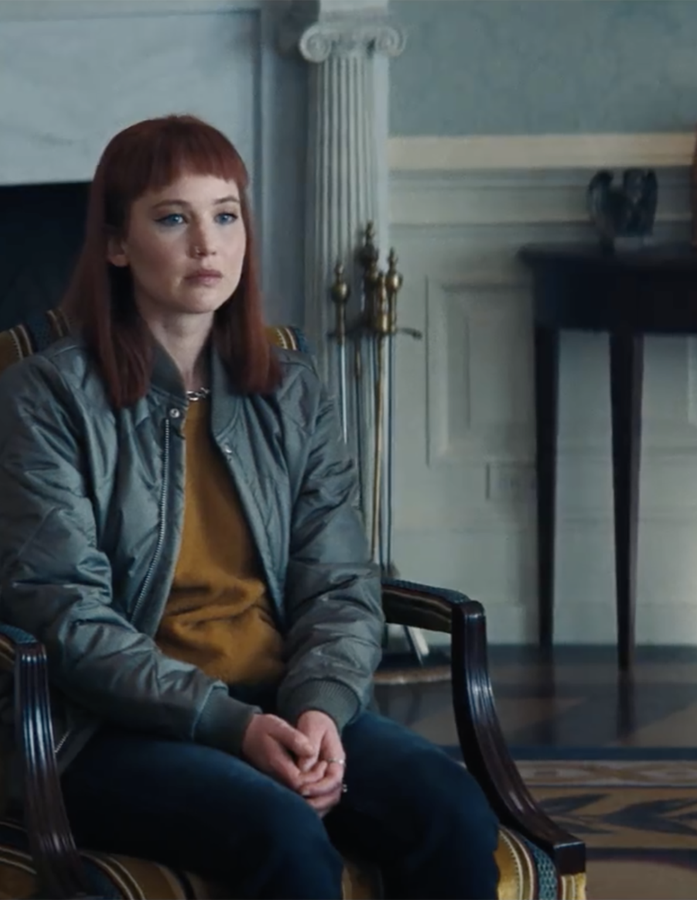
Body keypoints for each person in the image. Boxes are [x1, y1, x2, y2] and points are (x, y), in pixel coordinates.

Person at [0, 115, 499, 900]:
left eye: (225, 215)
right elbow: (65, 614)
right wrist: (233, 726)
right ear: (117, 244)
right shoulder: (46, 397)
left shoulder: (292, 390)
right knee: (282, 832)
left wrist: (321, 711)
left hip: (285, 702)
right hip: (109, 729)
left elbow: (340, 583)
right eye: (174, 218)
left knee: (453, 812)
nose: (208, 243)